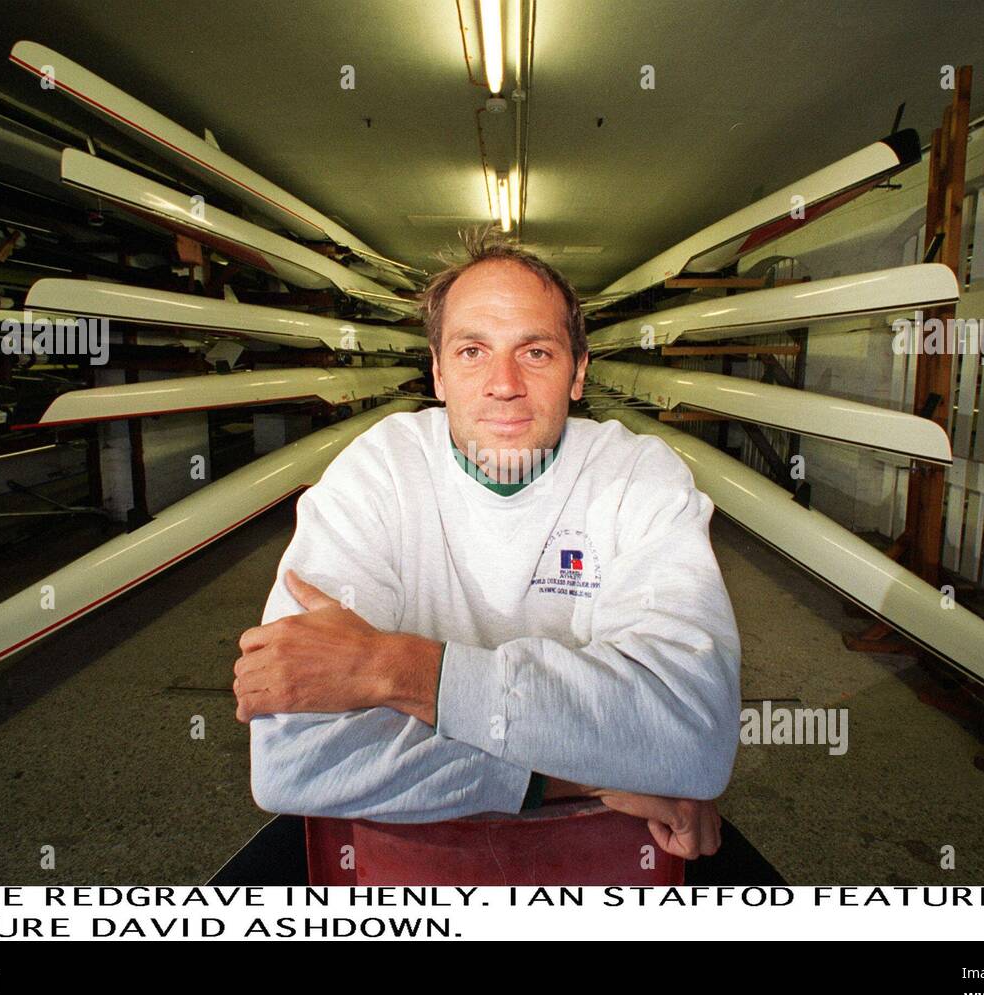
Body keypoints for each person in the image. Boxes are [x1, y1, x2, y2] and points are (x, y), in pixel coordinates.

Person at [213, 226, 784, 885]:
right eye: (473, 350)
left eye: (536, 352)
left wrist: (397, 670)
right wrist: (576, 774)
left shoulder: (637, 476)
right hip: (572, 811)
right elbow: (295, 760)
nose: (504, 383)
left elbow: (694, 737)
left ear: (579, 372)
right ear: (438, 371)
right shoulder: (377, 472)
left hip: (467, 815)